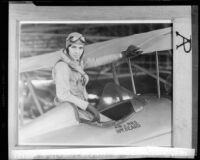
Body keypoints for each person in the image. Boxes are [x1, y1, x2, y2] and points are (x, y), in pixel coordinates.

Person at [52, 32, 141, 123]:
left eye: (80, 48)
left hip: (80, 108)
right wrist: (89, 107)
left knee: (108, 123)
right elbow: (63, 95)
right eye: (73, 47)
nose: (77, 51)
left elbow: (96, 61)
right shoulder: (62, 66)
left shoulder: (77, 63)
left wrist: (122, 55)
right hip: (70, 112)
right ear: (67, 48)